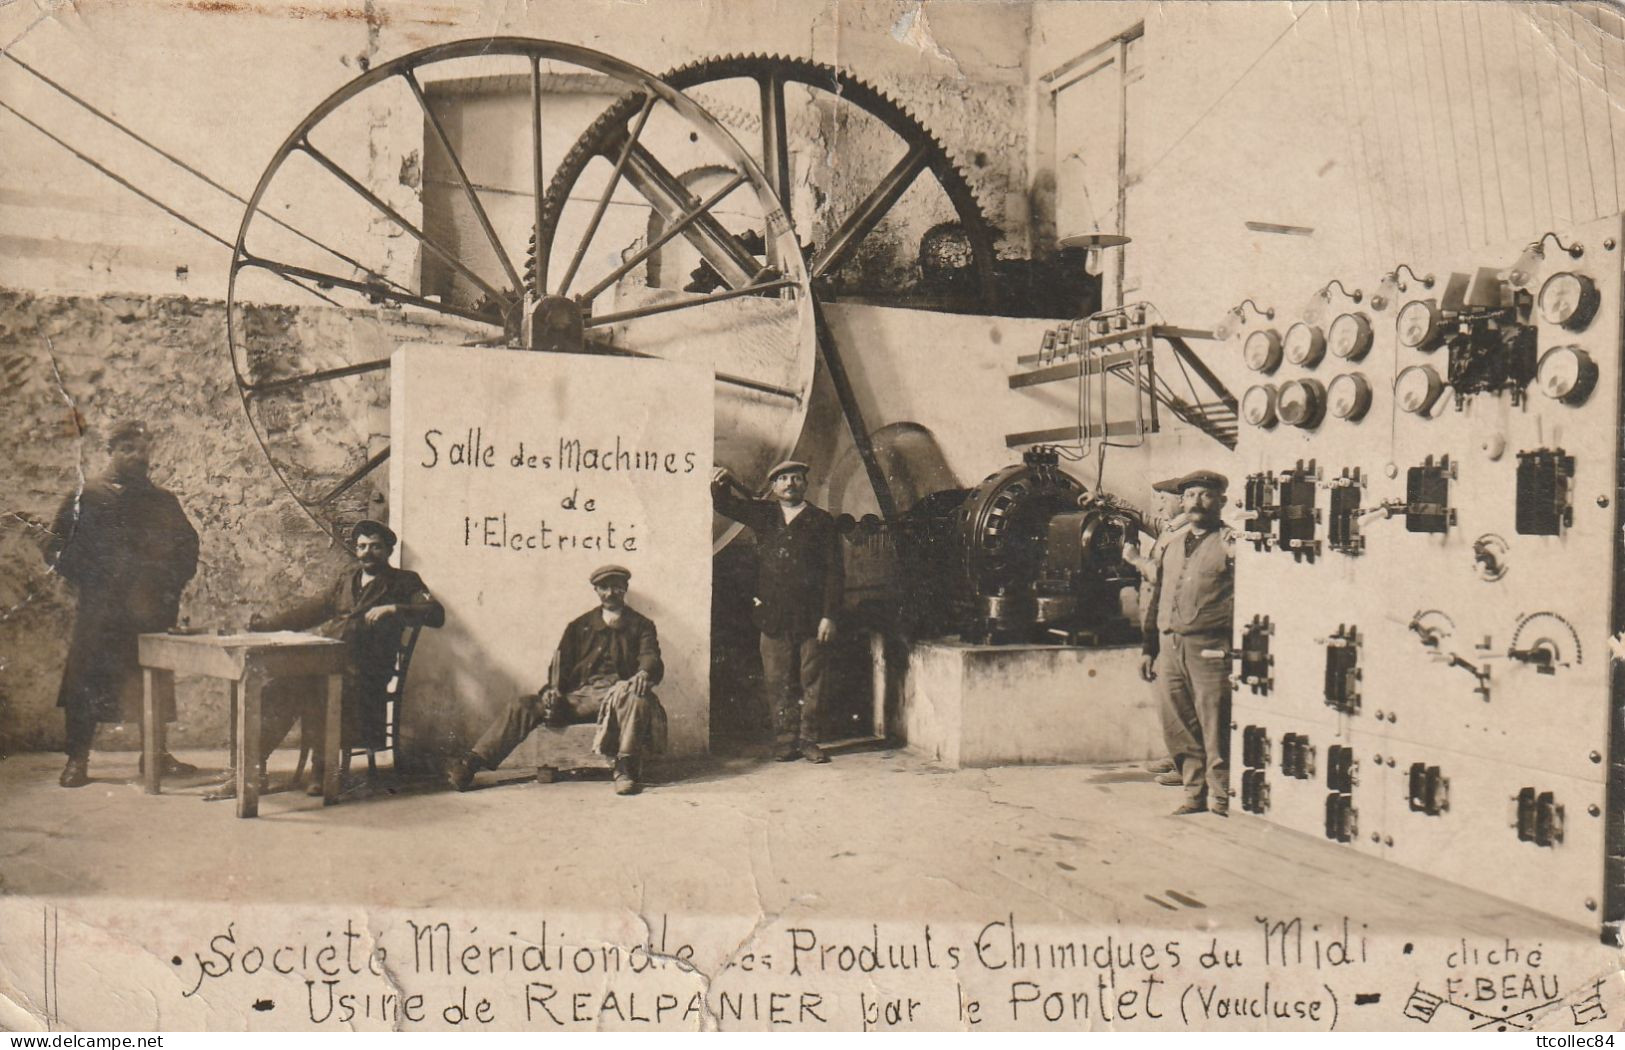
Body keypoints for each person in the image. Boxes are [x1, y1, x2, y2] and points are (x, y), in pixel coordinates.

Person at [233, 520, 444, 796]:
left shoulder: (405, 581)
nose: (368, 553)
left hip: (366, 674)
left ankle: (322, 770)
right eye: (362, 547)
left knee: (320, 689)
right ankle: (254, 766)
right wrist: (267, 625)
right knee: (279, 687)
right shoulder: (347, 579)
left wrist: (394, 608)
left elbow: (435, 613)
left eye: (376, 547)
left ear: (389, 550)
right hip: (327, 662)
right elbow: (311, 611)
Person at [45, 420, 200, 789]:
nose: (137, 456)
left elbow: (187, 547)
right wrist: (90, 576)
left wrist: (168, 588)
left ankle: (156, 755)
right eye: (128, 448)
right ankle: (77, 760)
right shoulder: (87, 496)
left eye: (142, 449)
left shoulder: (162, 500)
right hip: (100, 611)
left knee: (152, 681)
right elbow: (54, 547)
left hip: (147, 612)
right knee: (87, 681)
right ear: (110, 451)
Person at [446, 565, 666, 796]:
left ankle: (625, 770)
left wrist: (643, 673)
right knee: (523, 705)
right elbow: (560, 665)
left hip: (619, 698)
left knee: (638, 699)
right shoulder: (579, 626)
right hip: (580, 698)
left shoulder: (642, 625)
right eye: (604, 587)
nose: (610, 593)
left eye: (616, 587)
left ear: (625, 588)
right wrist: (553, 690)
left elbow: (650, 655)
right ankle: (471, 763)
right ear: (596, 590)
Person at [711, 460, 843, 763]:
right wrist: (719, 484)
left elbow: (836, 572)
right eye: (783, 478)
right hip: (773, 616)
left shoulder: (822, 521)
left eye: (796, 478)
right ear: (773, 487)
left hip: (812, 617)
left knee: (813, 680)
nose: (790, 483)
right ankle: (785, 740)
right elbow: (725, 505)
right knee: (777, 679)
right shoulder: (764, 515)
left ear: (805, 484)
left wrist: (830, 615)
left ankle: (809, 740)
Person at [1139, 470, 1235, 817]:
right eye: (1191, 495)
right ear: (1182, 502)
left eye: (1206, 495)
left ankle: (1222, 799)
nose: (1196, 502)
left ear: (1221, 501)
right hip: (1169, 646)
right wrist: (1149, 647)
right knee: (1177, 723)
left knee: (1215, 724)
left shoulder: (1230, 543)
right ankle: (1194, 794)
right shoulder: (1173, 545)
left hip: (1210, 648)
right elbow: (1157, 598)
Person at [1122, 476, 1191, 788]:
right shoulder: (1171, 527)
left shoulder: (1187, 532)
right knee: (1167, 696)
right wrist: (1104, 499)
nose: (1160, 505)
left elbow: (1164, 573)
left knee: (1180, 697)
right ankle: (1177, 753)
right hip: (1160, 622)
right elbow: (1141, 517)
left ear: (1181, 499)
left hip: (1175, 626)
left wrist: (1135, 559)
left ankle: (1188, 763)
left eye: (1164, 498)